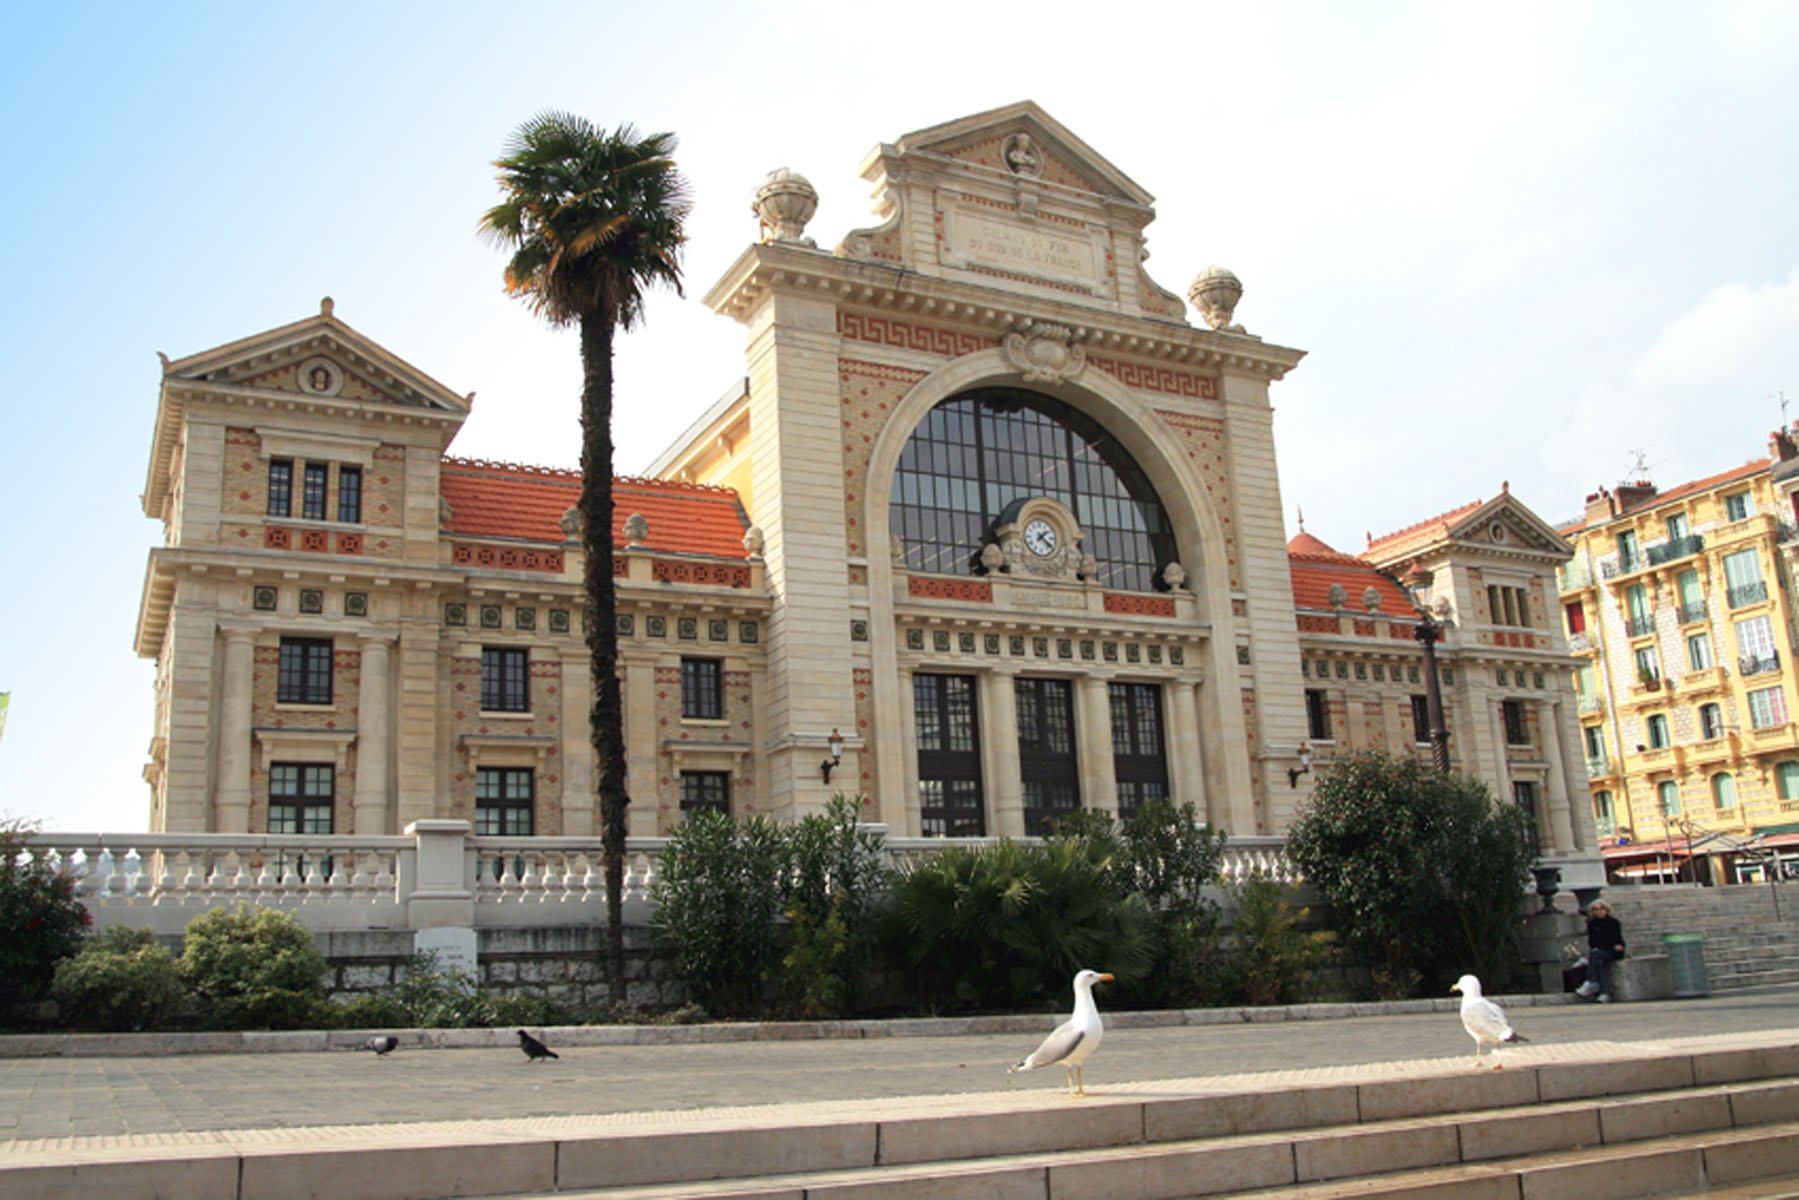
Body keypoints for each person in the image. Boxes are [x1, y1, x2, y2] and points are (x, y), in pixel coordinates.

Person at [1577, 899, 1626, 1002]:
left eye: (1602, 909)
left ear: (1607, 910)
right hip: (1600, 952)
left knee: (1595, 955)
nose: (1599, 911)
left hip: (1613, 951)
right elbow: (1592, 942)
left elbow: (1614, 940)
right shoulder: (1592, 924)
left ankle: (1591, 981)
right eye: (1596, 909)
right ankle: (1604, 993)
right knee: (1598, 961)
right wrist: (1603, 945)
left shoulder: (1613, 922)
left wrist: (1605, 946)